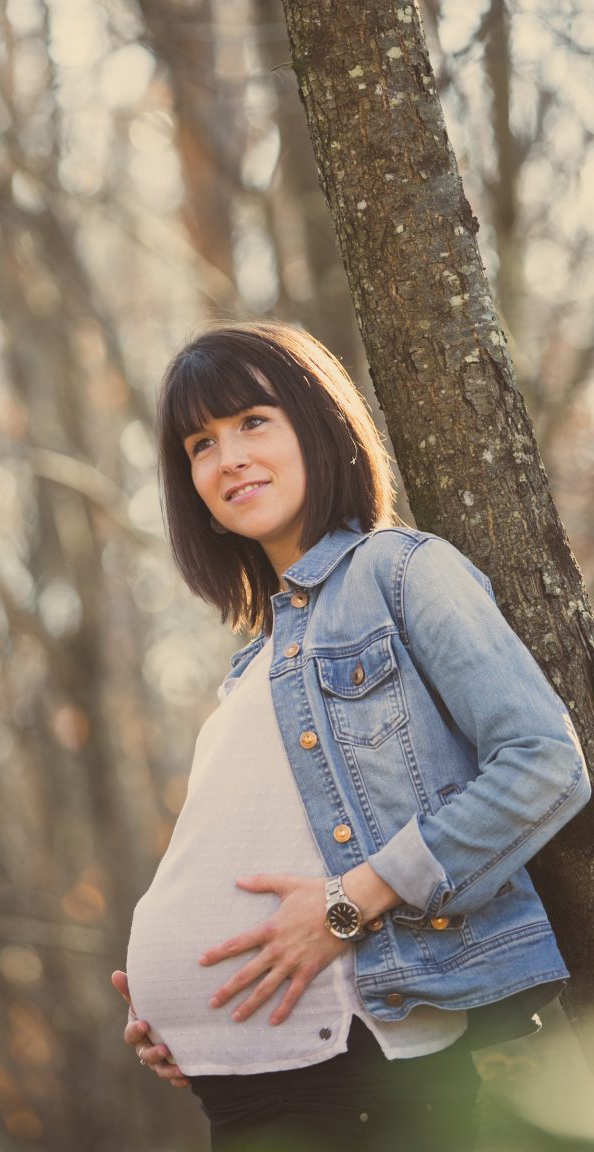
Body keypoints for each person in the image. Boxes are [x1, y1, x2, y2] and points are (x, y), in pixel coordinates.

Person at [111, 321, 590, 1152]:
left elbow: (545, 763)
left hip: (363, 1071)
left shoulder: (401, 571)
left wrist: (350, 902)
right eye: (201, 443)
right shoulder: (253, 661)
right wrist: (184, 1020)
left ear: (319, 423)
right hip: (251, 1091)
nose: (228, 460)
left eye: (253, 422)